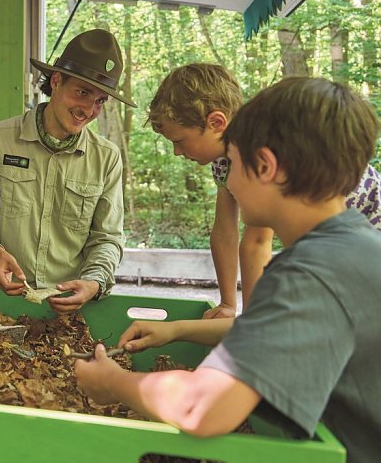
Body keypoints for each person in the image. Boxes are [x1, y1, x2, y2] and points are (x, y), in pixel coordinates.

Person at [75, 77, 381, 463]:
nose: (229, 181)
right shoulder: (358, 249)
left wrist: (113, 384)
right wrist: (179, 329)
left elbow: (203, 407)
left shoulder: (307, 273)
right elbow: (278, 332)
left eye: (233, 164)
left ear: (266, 166)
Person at [148, 64, 381, 318]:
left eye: (179, 141)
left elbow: (257, 242)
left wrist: (249, 320)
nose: (177, 152)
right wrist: (227, 304)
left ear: (216, 123)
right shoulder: (224, 160)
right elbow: (224, 230)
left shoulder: (259, 153)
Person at [0, 29, 135, 313]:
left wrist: (93, 281)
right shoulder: (0, 137)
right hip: (1, 304)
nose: (88, 109)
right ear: (56, 80)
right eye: (82, 92)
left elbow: (108, 238)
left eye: (100, 100)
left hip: (68, 308)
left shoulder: (107, 157)